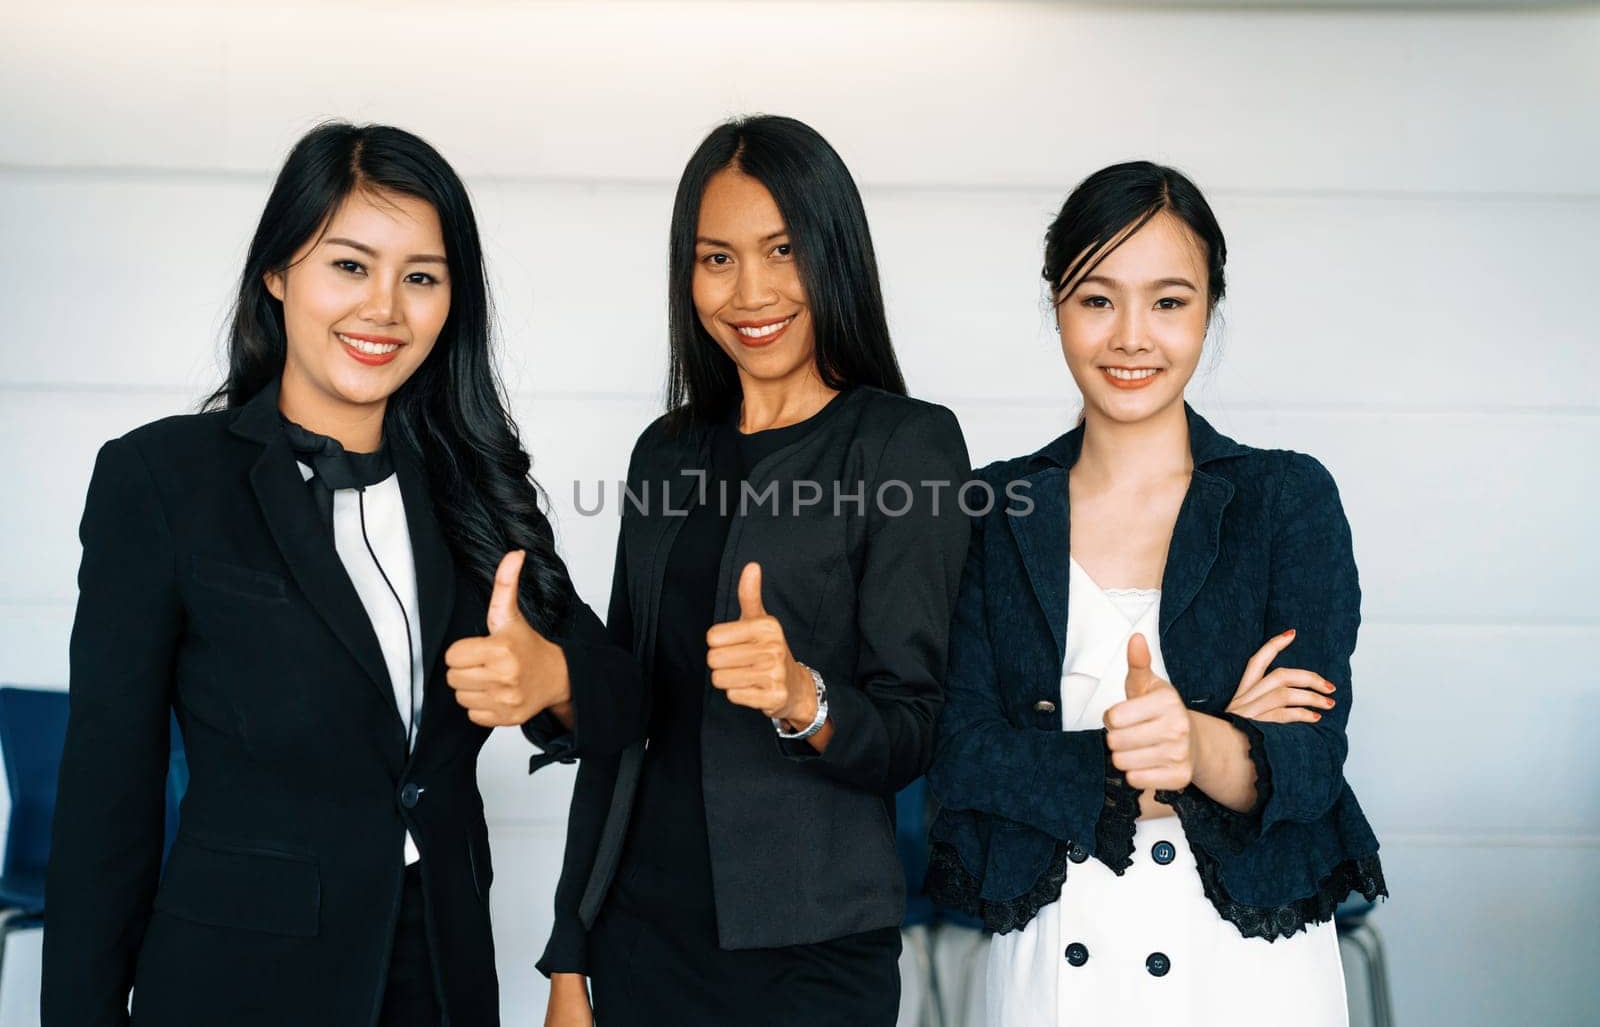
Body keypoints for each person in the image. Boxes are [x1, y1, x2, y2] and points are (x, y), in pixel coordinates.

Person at [42, 122, 638, 1027]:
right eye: (350, 266)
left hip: (439, 977)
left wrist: (552, 678)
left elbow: (633, 701)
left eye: (422, 277)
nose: (385, 309)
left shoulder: (472, 488)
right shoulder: (161, 480)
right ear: (278, 272)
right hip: (236, 983)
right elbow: (104, 803)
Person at [926, 161, 1386, 1026]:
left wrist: (1191, 742)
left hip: (1248, 972)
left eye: (1168, 302)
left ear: (1210, 307)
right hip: (1056, 964)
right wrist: (1200, 749)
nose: (1131, 336)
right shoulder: (989, 510)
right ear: (1055, 303)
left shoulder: (1284, 499)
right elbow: (961, 752)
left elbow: (1314, 757)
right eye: (1098, 299)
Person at [536, 115, 971, 1027]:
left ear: (833, 253)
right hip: (640, 936)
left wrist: (801, 695)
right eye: (717, 257)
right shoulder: (668, 452)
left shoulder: (904, 444)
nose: (751, 290)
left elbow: (914, 726)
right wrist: (569, 958)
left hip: (811, 954)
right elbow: (624, 717)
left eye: (782, 250)